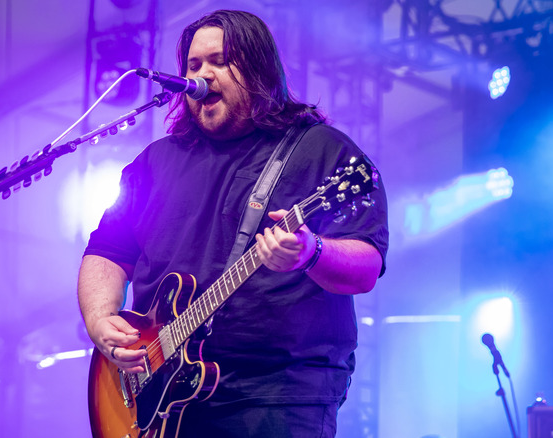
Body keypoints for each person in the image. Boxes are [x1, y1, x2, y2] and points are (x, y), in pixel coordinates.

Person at [78, 9, 388, 438]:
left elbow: (367, 266)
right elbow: (107, 251)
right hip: (161, 396)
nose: (202, 74)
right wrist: (100, 321)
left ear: (258, 69)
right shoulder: (154, 162)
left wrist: (311, 251)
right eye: (193, 65)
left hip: (277, 395)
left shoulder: (322, 151)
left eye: (219, 61)